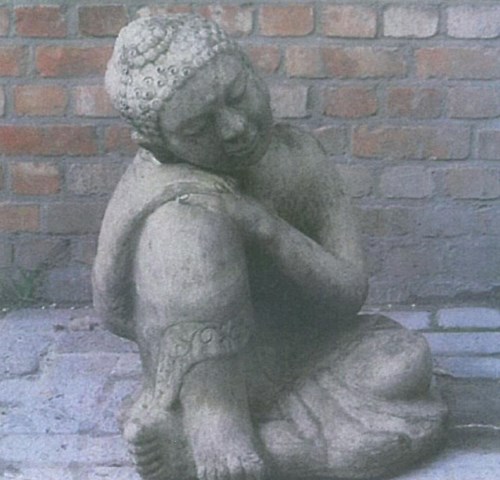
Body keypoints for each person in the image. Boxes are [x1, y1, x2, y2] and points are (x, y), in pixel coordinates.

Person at [94, 14, 447, 480]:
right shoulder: (159, 189)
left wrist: (263, 226)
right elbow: (114, 311)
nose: (235, 127)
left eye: (237, 95)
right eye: (198, 129)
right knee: (188, 224)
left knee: (405, 360)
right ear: (157, 144)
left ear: (251, 70)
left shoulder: (300, 158)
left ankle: (220, 454)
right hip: (208, 377)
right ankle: (215, 426)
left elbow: (348, 293)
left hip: (307, 351)